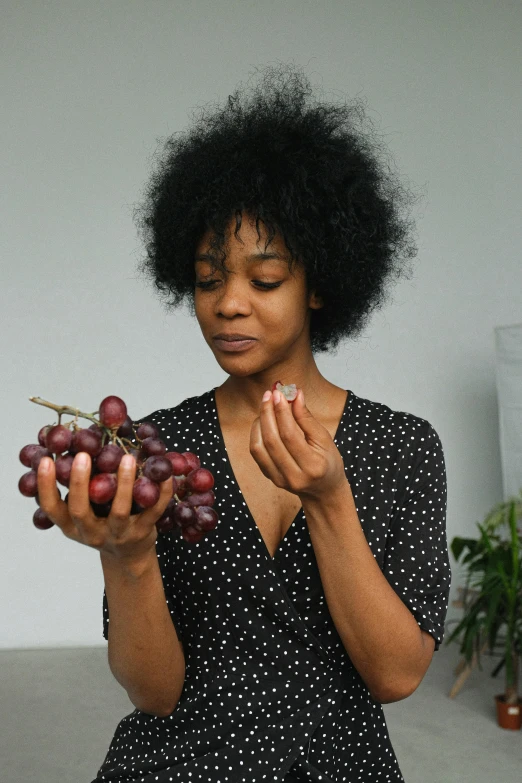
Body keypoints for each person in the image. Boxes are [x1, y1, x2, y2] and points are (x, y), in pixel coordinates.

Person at [37, 64, 451, 782]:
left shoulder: (403, 446)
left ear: (320, 281)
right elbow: (155, 692)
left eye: (263, 279)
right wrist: (127, 556)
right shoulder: (155, 450)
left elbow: (395, 675)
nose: (228, 303)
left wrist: (329, 499)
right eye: (206, 278)